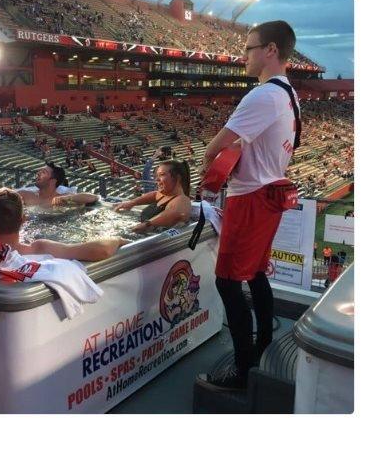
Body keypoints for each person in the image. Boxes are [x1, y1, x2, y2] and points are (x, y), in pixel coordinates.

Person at [198, 20, 300, 391]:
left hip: (251, 197)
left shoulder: (262, 95)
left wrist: (206, 168)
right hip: (269, 192)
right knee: (255, 273)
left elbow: (214, 148)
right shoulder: (288, 94)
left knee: (227, 281)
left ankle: (242, 371)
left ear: (270, 50)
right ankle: (262, 345)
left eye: (249, 48)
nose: (244, 56)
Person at [0, 162, 99, 211]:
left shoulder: (62, 199)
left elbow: (93, 198)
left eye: (43, 172)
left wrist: (68, 199)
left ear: (53, 180)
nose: (38, 174)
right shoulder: (26, 195)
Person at [113, 160, 192, 233]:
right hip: (141, 233)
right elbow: (154, 195)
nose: (156, 179)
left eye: (162, 175)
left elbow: (175, 213)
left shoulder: (182, 200)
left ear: (178, 178)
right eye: (156, 176)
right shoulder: (165, 195)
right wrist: (132, 203)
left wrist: (147, 224)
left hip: (155, 243)